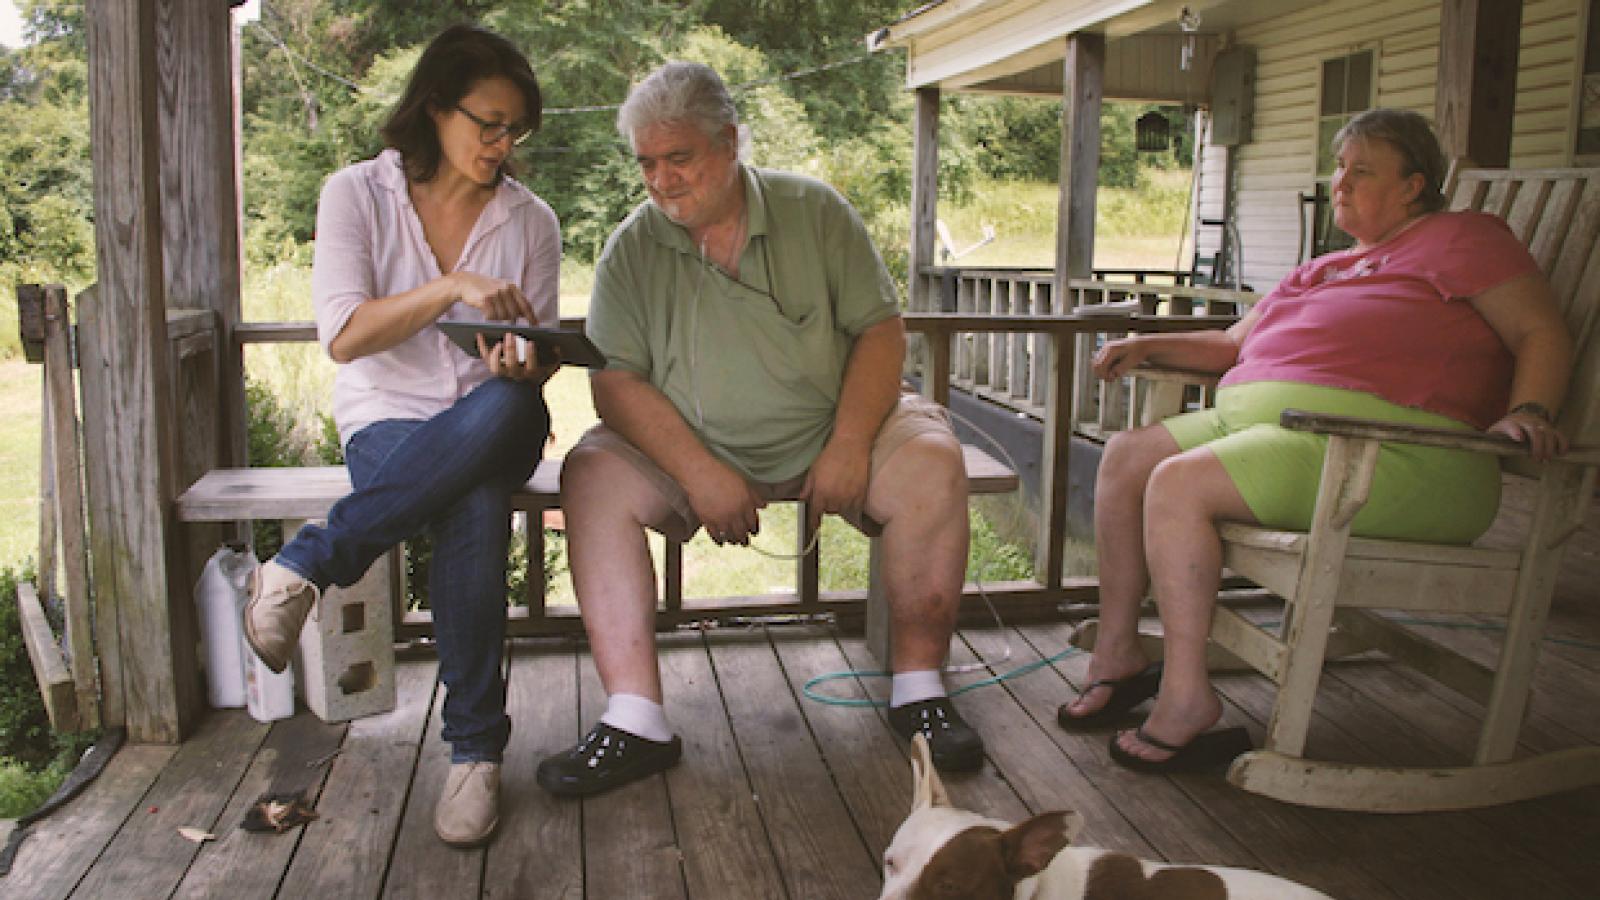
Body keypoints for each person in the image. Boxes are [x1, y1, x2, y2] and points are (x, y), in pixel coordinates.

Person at [1057, 107, 1574, 772]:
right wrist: (1149, 340)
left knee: (1178, 483)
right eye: (1339, 168)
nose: (1340, 182)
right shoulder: (1325, 267)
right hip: (1274, 430)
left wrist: (1530, 408)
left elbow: (1540, 332)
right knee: (1129, 457)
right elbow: (1229, 344)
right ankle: (1120, 651)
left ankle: (1187, 698)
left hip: (1396, 452)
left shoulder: (1464, 238)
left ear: (1414, 185)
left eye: (1362, 171)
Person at [535, 61, 985, 797]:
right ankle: (635, 717)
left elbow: (878, 332)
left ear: (730, 142)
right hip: (688, 444)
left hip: (836, 426)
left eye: (679, 158)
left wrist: (847, 444)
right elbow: (616, 382)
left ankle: (920, 690)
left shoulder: (815, 211)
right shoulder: (631, 247)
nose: (661, 180)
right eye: (647, 163)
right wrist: (700, 472)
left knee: (934, 459)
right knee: (590, 478)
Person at [241, 24, 561, 847]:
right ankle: (475, 755)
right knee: (475, 504)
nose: (501, 143)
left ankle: (306, 564)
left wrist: (525, 360)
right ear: (434, 106)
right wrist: (452, 286)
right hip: (389, 420)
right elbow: (345, 336)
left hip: (495, 414)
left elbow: (541, 351)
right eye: (486, 122)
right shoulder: (355, 193)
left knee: (508, 412)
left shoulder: (531, 221)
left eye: (513, 129)